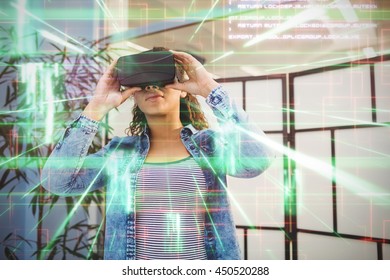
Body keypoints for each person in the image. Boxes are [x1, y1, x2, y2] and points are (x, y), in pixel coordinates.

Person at [41, 47, 274, 260]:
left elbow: (257, 162)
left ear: (183, 90)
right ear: (132, 94)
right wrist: (96, 107)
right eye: (142, 82)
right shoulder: (119, 153)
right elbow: (58, 182)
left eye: (161, 79)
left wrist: (209, 88)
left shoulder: (209, 145)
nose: (152, 87)